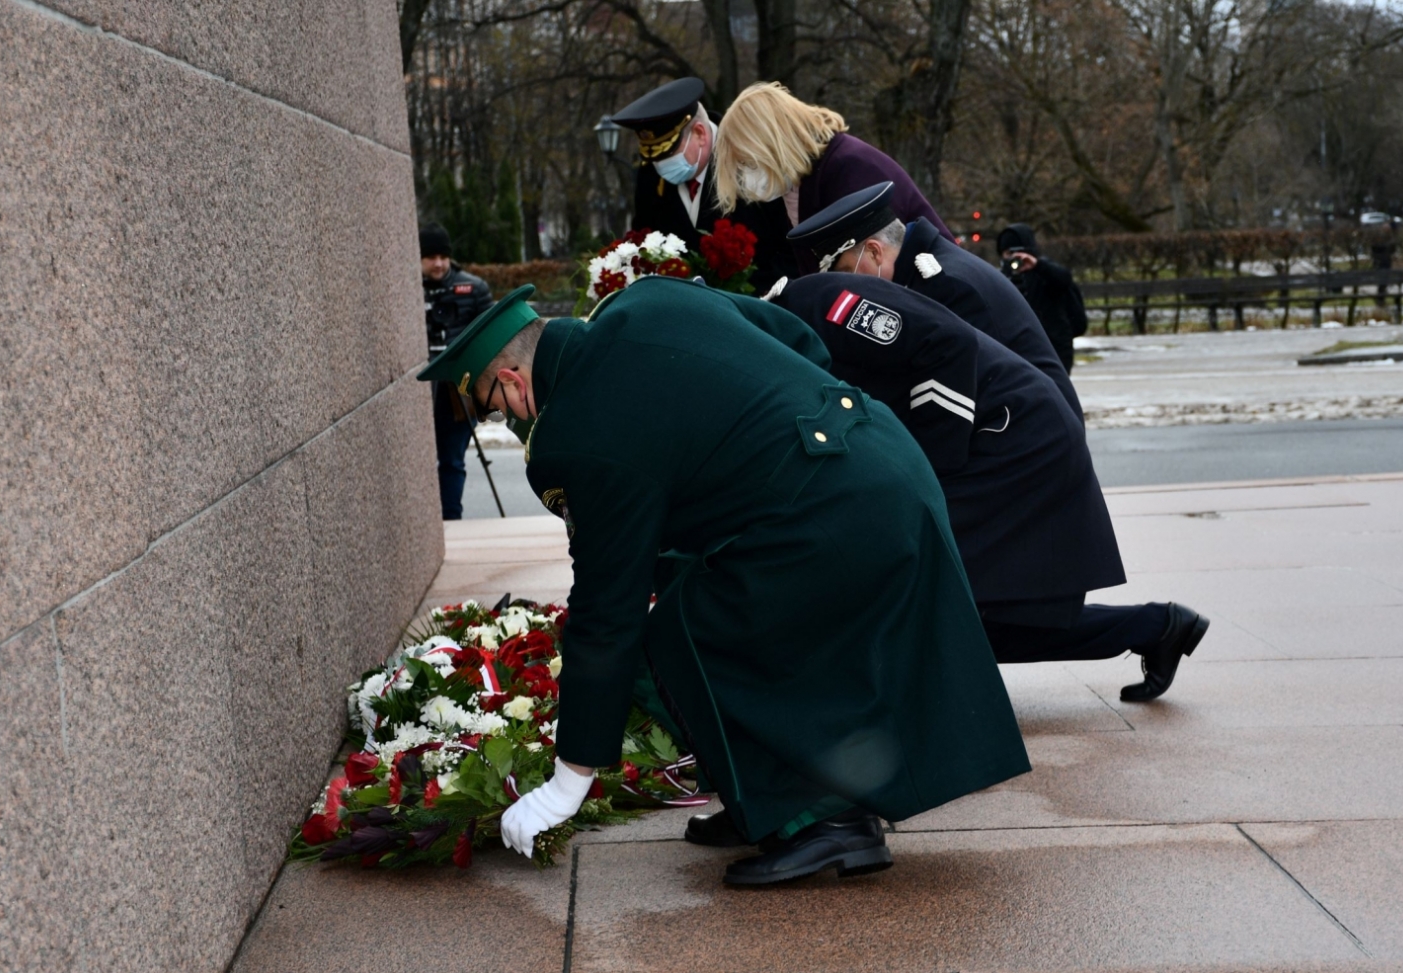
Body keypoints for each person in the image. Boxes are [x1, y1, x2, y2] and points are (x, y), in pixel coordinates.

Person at [416, 277, 1030, 884]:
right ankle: (766, 803)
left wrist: (570, 779)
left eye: (497, 407)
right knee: (701, 609)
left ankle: (827, 822)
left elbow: (610, 606)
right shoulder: (648, 298)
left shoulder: (578, 429)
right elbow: (797, 339)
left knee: (684, 637)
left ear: (515, 379)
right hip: (882, 458)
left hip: (832, 516)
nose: (505, 419)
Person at [772, 272, 1208, 704]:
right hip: (1002, 438)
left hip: (1012, 441)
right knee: (970, 620)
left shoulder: (821, 300)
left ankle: (870, 697)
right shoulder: (791, 323)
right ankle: (1158, 627)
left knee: (914, 578)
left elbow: (949, 343)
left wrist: (926, 468)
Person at [785, 182, 1081, 414]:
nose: (849, 286)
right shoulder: (926, 269)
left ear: (875, 251)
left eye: (848, 272)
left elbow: (961, 393)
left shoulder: (945, 285)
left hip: (1033, 436)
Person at [711, 82, 954, 278]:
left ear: (775, 144)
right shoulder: (803, 181)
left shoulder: (848, 168)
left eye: (750, 163)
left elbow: (869, 269)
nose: (747, 176)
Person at [611, 78, 797, 291]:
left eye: (669, 152)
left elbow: (788, 248)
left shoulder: (750, 158)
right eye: (655, 157)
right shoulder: (650, 176)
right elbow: (646, 241)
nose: (661, 164)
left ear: (699, 133)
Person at [422, 223, 495, 519]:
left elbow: (491, 339)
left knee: (452, 460)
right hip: (420, 389)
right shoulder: (403, 291)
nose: (438, 263)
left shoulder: (474, 289)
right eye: (430, 257)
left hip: (458, 392)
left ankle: (450, 520)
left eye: (443, 256)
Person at [998, 224, 1088, 374]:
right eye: (1009, 254)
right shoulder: (1001, 278)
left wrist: (1037, 265)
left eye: (1019, 252)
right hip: (1020, 347)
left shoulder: (1045, 272)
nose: (1015, 259)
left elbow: (1064, 279)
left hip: (1054, 346)